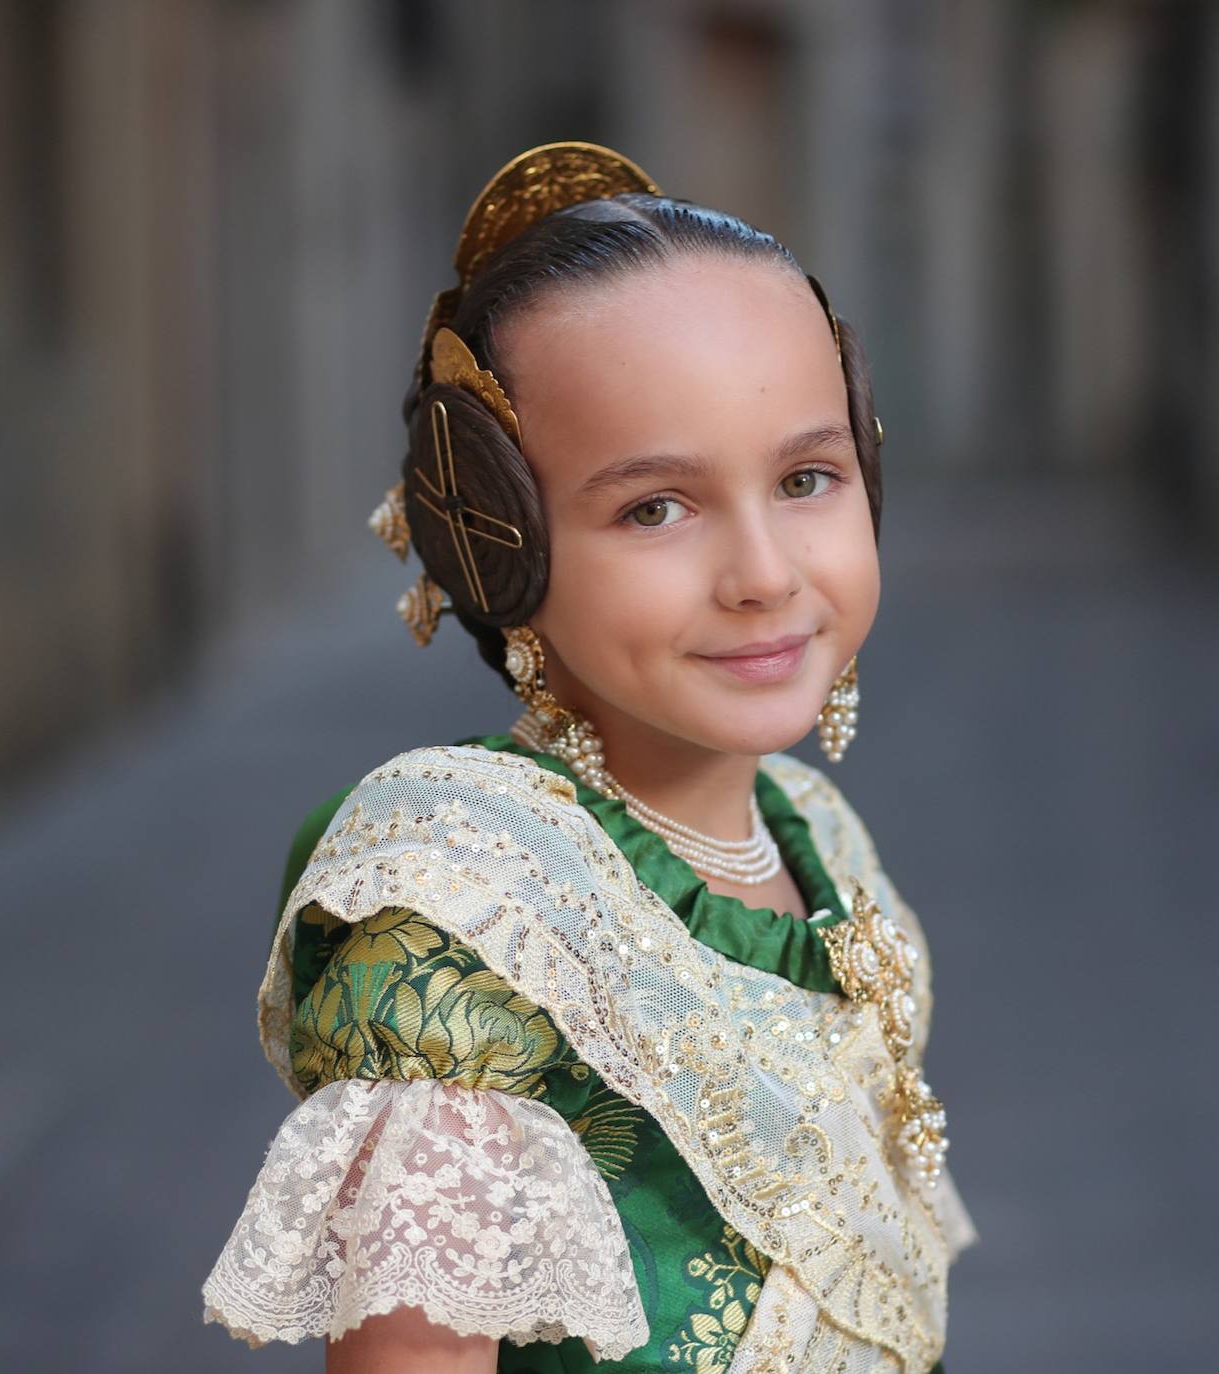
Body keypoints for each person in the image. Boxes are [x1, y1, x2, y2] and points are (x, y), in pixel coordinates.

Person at [202, 141, 976, 1374]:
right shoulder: (465, 908)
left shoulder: (822, 843)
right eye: (654, 508)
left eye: (807, 478)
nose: (766, 575)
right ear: (494, 541)